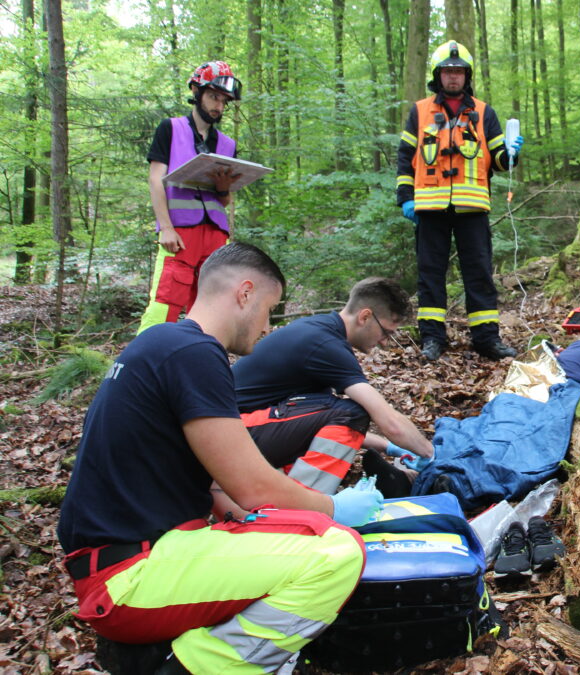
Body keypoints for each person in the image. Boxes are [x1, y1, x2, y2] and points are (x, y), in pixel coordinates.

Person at [59, 244, 383, 674]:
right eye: (269, 309)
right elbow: (253, 487)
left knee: (307, 535)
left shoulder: (163, 342)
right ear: (244, 293)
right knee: (337, 555)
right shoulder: (195, 352)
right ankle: (195, 667)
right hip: (129, 575)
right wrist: (334, 508)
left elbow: (219, 487)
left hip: (135, 554)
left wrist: (276, 521)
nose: (268, 326)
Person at [232, 277, 434, 500]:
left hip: (240, 431)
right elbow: (388, 421)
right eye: (386, 333)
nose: (385, 342)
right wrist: (429, 453)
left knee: (334, 411)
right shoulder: (326, 345)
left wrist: (390, 448)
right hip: (233, 434)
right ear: (365, 316)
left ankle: (285, 489)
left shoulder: (319, 330)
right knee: (353, 412)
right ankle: (300, 505)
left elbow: (318, 422)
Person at [396, 40, 524, 362]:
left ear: (467, 76)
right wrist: (405, 198)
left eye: (459, 71)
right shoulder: (420, 110)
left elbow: (497, 159)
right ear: (438, 75)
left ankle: (486, 339)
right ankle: (432, 338)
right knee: (430, 274)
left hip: (472, 207)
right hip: (430, 207)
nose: (453, 77)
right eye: (447, 71)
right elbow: (405, 157)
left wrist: (510, 155)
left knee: (479, 272)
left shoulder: (483, 112)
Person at [137, 61, 243, 335]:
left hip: (217, 236)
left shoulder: (227, 144)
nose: (218, 106)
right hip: (180, 233)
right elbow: (155, 179)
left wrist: (222, 188)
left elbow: (224, 201)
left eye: (223, 101)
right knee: (166, 302)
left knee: (211, 306)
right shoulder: (170, 129)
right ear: (196, 91)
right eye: (213, 97)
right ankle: (144, 365)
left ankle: (198, 364)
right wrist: (166, 227)